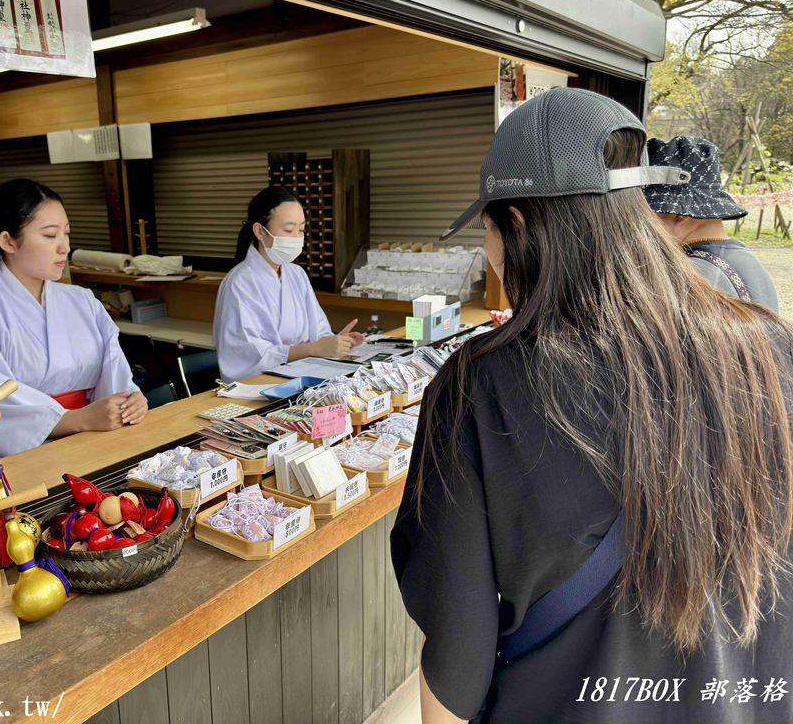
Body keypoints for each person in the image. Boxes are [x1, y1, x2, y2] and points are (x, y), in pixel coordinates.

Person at [391, 88, 793, 723]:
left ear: (516, 227)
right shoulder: (768, 347)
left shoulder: (480, 389)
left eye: (488, 230)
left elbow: (456, 658)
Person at [0, 179, 147, 457]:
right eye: (50, 235)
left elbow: (114, 372)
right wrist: (79, 419)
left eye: (67, 234)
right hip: (25, 461)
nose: (64, 247)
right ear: (8, 241)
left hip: (95, 446)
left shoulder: (83, 301)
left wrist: (130, 401)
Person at [213, 186, 366, 382]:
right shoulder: (239, 283)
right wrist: (312, 349)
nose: (297, 238)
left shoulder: (296, 275)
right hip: (260, 384)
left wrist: (337, 343)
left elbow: (318, 331)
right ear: (260, 231)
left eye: (301, 229)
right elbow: (247, 355)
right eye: (288, 229)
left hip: (301, 376)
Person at [644, 135, 779, 310]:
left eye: (647, 212)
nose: (642, 223)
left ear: (679, 213)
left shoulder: (694, 275)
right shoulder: (750, 266)